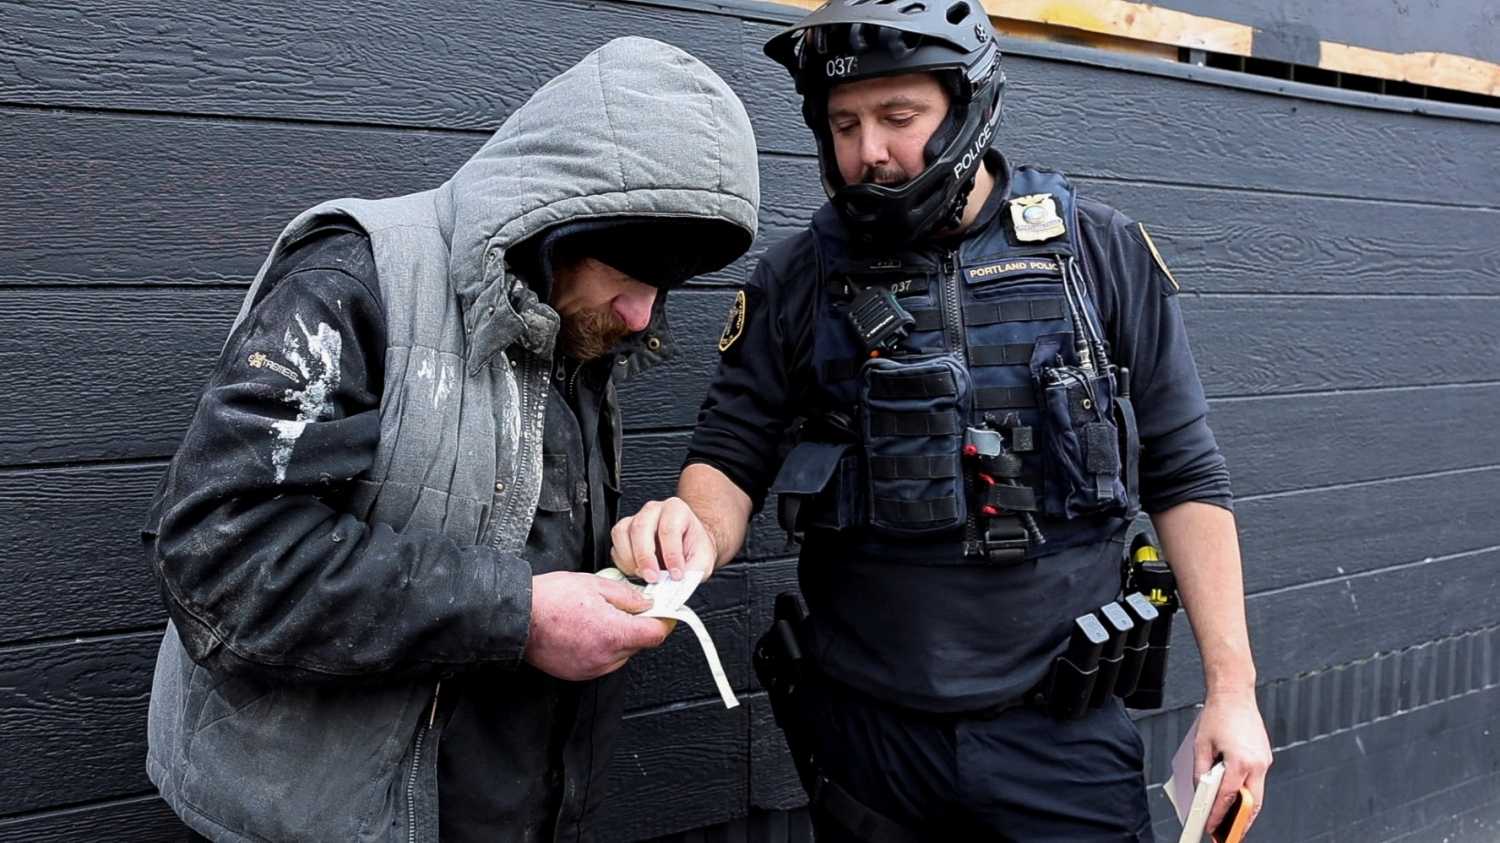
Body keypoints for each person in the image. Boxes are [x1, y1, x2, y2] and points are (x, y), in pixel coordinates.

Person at [611, 4, 1271, 841]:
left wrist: (1233, 692)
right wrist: (687, 533)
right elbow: (728, 459)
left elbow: (1187, 475)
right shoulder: (793, 281)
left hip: (1060, 741)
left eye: (899, 117)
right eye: (844, 123)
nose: (869, 152)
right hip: (868, 744)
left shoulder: (1097, 254)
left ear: (967, 108)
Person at [141, 37, 759, 843]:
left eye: (666, 283)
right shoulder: (355, 282)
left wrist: (629, 556)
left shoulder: (573, 319)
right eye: (631, 268)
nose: (644, 314)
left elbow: (506, 527)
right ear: (557, 213)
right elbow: (218, 559)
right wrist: (523, 613)